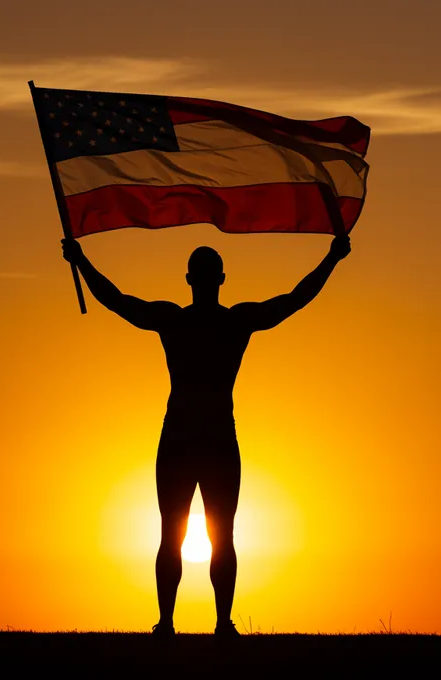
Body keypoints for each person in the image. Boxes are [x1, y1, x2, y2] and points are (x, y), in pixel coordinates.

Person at [61, 234, 352, 638]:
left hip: (188, 434)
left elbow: (117, 300)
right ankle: (208, 623)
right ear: (221, 279)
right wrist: (331, 259)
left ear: (189, 279)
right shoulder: (228, 322)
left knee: (182, 533)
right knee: (212, 533)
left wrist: (82, 260)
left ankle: (179, 623)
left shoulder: (182, 321)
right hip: (207, 435)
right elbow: (293, 299)